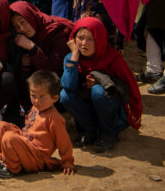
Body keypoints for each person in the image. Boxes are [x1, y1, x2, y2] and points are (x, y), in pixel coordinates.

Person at [60, 17, 141, 152]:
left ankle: (108, 133)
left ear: (99, 40)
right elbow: (68, 86)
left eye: (90, 39)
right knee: (65, 96)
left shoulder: (112, 58)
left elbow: (129, 85)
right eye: (80, 38)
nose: (84, 43)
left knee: (98, 91)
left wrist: (102, 82)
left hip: (110, 108)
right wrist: (74, 56)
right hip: (88, 107)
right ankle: (90, 129)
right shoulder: (72, 58)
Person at [0, 70, 75, 178]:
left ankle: (12, 169)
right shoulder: (36, 108)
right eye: (33, 96)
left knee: (9, 137)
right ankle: (6, 161)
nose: (36, 101)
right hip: (26, 145)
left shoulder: (54, 118)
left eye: (42, 97)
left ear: (54, 98)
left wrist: (67, 161)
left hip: (37, 158)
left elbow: (63, 141)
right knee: (0, 126)